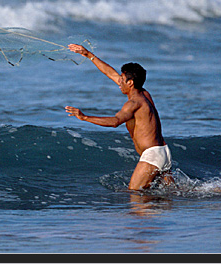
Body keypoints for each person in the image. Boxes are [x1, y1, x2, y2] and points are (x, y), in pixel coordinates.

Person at [65, 44, 174, 191]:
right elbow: (110, 74)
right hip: (163, 152)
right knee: (175, 194)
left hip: (152, 156)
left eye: (122, 79)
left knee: (134, 194)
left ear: (130, 83)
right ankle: (215, 192)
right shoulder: (144, 94)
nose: (119, 82)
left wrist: (85, 117)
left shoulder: (134, 103)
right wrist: (88, 54)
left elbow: (115, 122)